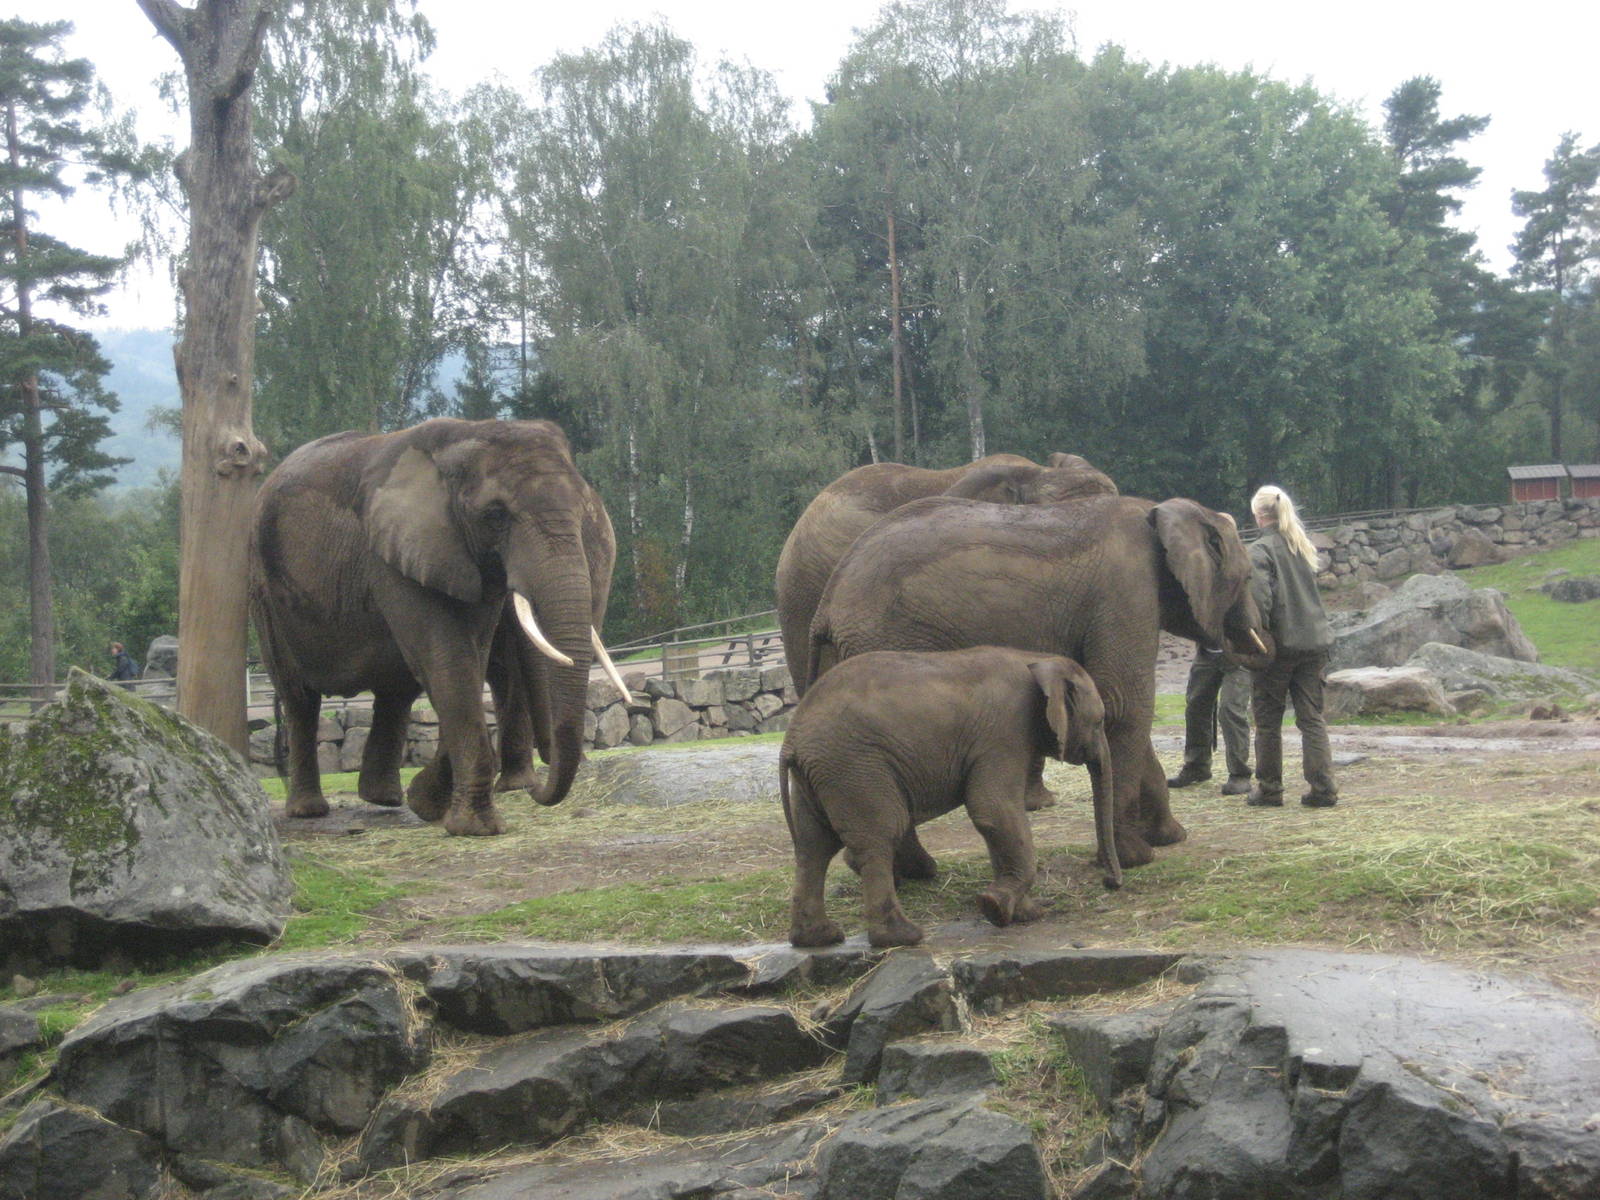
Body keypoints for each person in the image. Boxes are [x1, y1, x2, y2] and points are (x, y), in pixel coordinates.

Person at [1244, 485, 1337, 808]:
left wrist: (1257, 637)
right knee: (1311, 718)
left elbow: (1259, 599)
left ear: (1257, 513)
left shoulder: (1259, 550)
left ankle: (1269, 789)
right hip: (1315, 643)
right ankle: (1323, 788)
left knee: (1268, 720)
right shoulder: (1301, 545)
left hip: (1280, 647)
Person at [1167, 644, 1253, 795]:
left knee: (1230, 710)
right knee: (1195, 706)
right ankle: (1197, 766)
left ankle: (1240, 774)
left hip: (1241, 652)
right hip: (1208, 650)